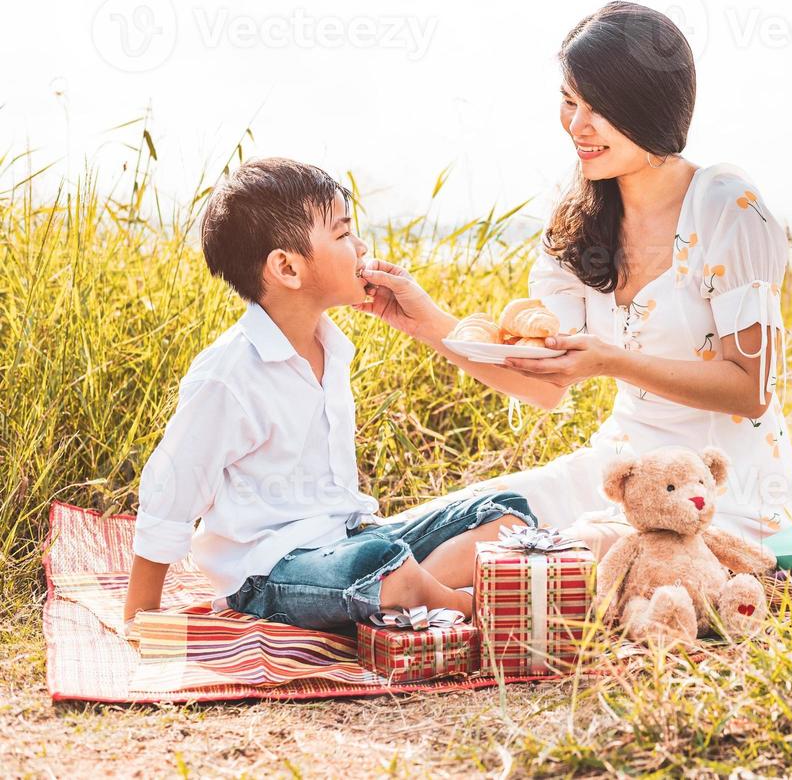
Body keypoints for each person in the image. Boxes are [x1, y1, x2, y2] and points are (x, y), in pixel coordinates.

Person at [356, 1, 792, 557]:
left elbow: (751, 389)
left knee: (520, 560)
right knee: (428, 530)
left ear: (651, 108)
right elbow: (545, 383)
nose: (577, 126)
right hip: (618, 473)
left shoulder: (726, 204)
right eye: (570, 102)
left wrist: (611, 361)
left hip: (718, 499)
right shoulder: (580, 217)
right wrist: (427, 322)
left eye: (600, 108)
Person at [122, 158, 531, 633]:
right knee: (380, 561)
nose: (361, 247)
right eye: (342, 235)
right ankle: (450, 603)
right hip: (271, 573)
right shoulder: (228, 375)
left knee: (506, 512)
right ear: (287, 267)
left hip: (348, 540)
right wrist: (142, 613)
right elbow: (173, 488)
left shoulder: (331, 347)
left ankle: (402, 593)